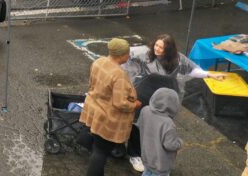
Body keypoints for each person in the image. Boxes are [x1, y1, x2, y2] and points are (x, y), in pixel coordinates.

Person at [122, 33, 224, 172]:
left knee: (157, 129)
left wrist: (210, 74)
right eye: (156, 45)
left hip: (163, 100)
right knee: (137, 124)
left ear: (169, 50)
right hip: (144, 95)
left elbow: (192, 70)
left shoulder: (177, 59)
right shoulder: (144, 55)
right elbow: (124, 61)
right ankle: (134, 154)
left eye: (161, 47)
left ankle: (150, 155)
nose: (157, 49)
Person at [79, 38, 141, 176]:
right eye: (127, 53)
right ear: (120, 55)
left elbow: (92, 84)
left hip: (95, 110)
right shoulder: (118, 74)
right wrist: (134, 104)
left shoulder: (98, 62)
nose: (129, 56)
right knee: (100, 152)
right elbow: (120, 103)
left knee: (97, 147)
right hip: (107, 117)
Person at [135, 88, 184, 176]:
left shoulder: (145, 110)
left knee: (147, 172)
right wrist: (180, 143)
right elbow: (170, 145)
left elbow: (139, 125)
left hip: (146, 155)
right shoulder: (168, 124)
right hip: (160, 164)